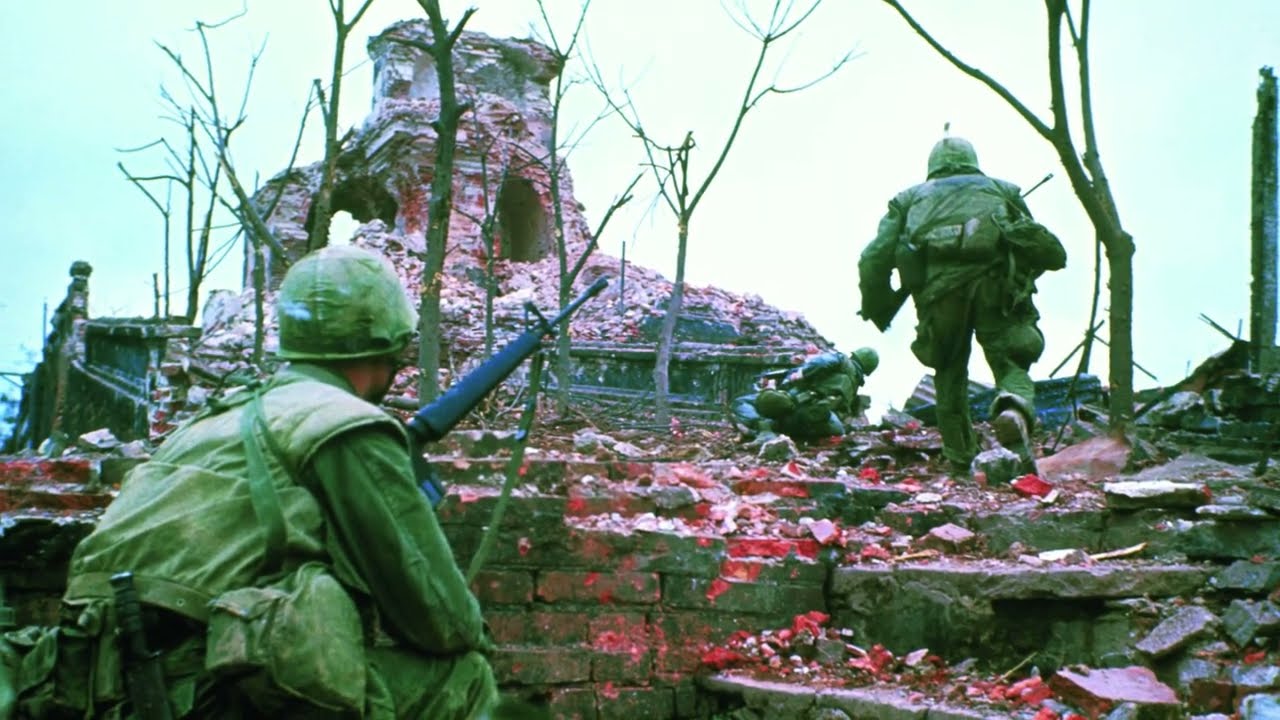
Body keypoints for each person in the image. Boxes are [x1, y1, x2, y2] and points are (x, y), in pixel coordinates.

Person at [17, 246, 497, 719]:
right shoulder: (344, 424)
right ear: (391, 340)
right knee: (464, 675)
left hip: (102, 688)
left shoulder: (215, 418)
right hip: (201, 692)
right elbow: (443, 621)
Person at [857, 136, 1066, 476]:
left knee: (949, 374)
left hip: (938, 297)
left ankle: (961, 461)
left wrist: (877, 304)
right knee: (1010, 361)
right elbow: (1032, 243)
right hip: (995, 287)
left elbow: (873, 258)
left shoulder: (907, 199)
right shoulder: (1002, 190)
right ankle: (1013, 407)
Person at [733, 347, 878, 441]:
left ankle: (762, 429)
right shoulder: (853, 386)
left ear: (855, 355)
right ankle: (772, 432)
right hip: (819, 424)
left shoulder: (842, 360)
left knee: (741, 402)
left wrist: (801, 373)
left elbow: (822, 362)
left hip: (801, 407)